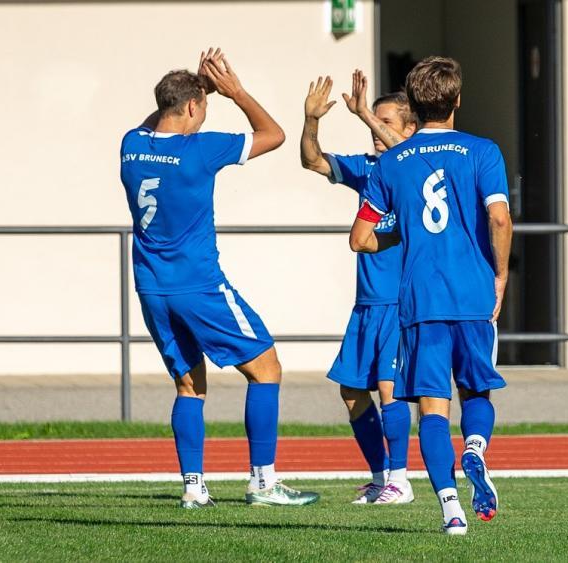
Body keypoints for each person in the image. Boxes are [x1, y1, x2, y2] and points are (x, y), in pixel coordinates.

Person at [120, 48, 319, 509]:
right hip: (199, 285)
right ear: (193, 106)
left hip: (151, 287)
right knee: (266, 368)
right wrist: (234, 91)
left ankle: (194, 488)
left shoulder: (131, 144)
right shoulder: (200, 149)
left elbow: (156, 122)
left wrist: (189, 91)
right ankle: (263, 482)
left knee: (189, 385)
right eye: (203, 105)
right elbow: (274, 134)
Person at [349, 56, 513, 535]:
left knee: (431, 408)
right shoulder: (483, 151)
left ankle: (451, 511)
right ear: (457, 99)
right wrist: (501, 276)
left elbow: (360, 239)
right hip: (473, 295)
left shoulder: (391, 163)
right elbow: (499, 218)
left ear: (414, 105)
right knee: (475, 390)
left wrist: (402, 233)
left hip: (420, 301)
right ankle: (476, 449)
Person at [299, 70, 417, 505]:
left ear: (409, 129)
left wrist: (364, 113)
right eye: (373, 122)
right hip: (366, 303)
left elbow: (405, 154)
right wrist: (311, 120)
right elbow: (313, 160)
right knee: (351, 391)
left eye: (385, 123)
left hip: (399, 303)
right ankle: (381, 476)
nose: (374, 131)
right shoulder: (368, 169)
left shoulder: (414, 166)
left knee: (390, 388)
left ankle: (401, 480)